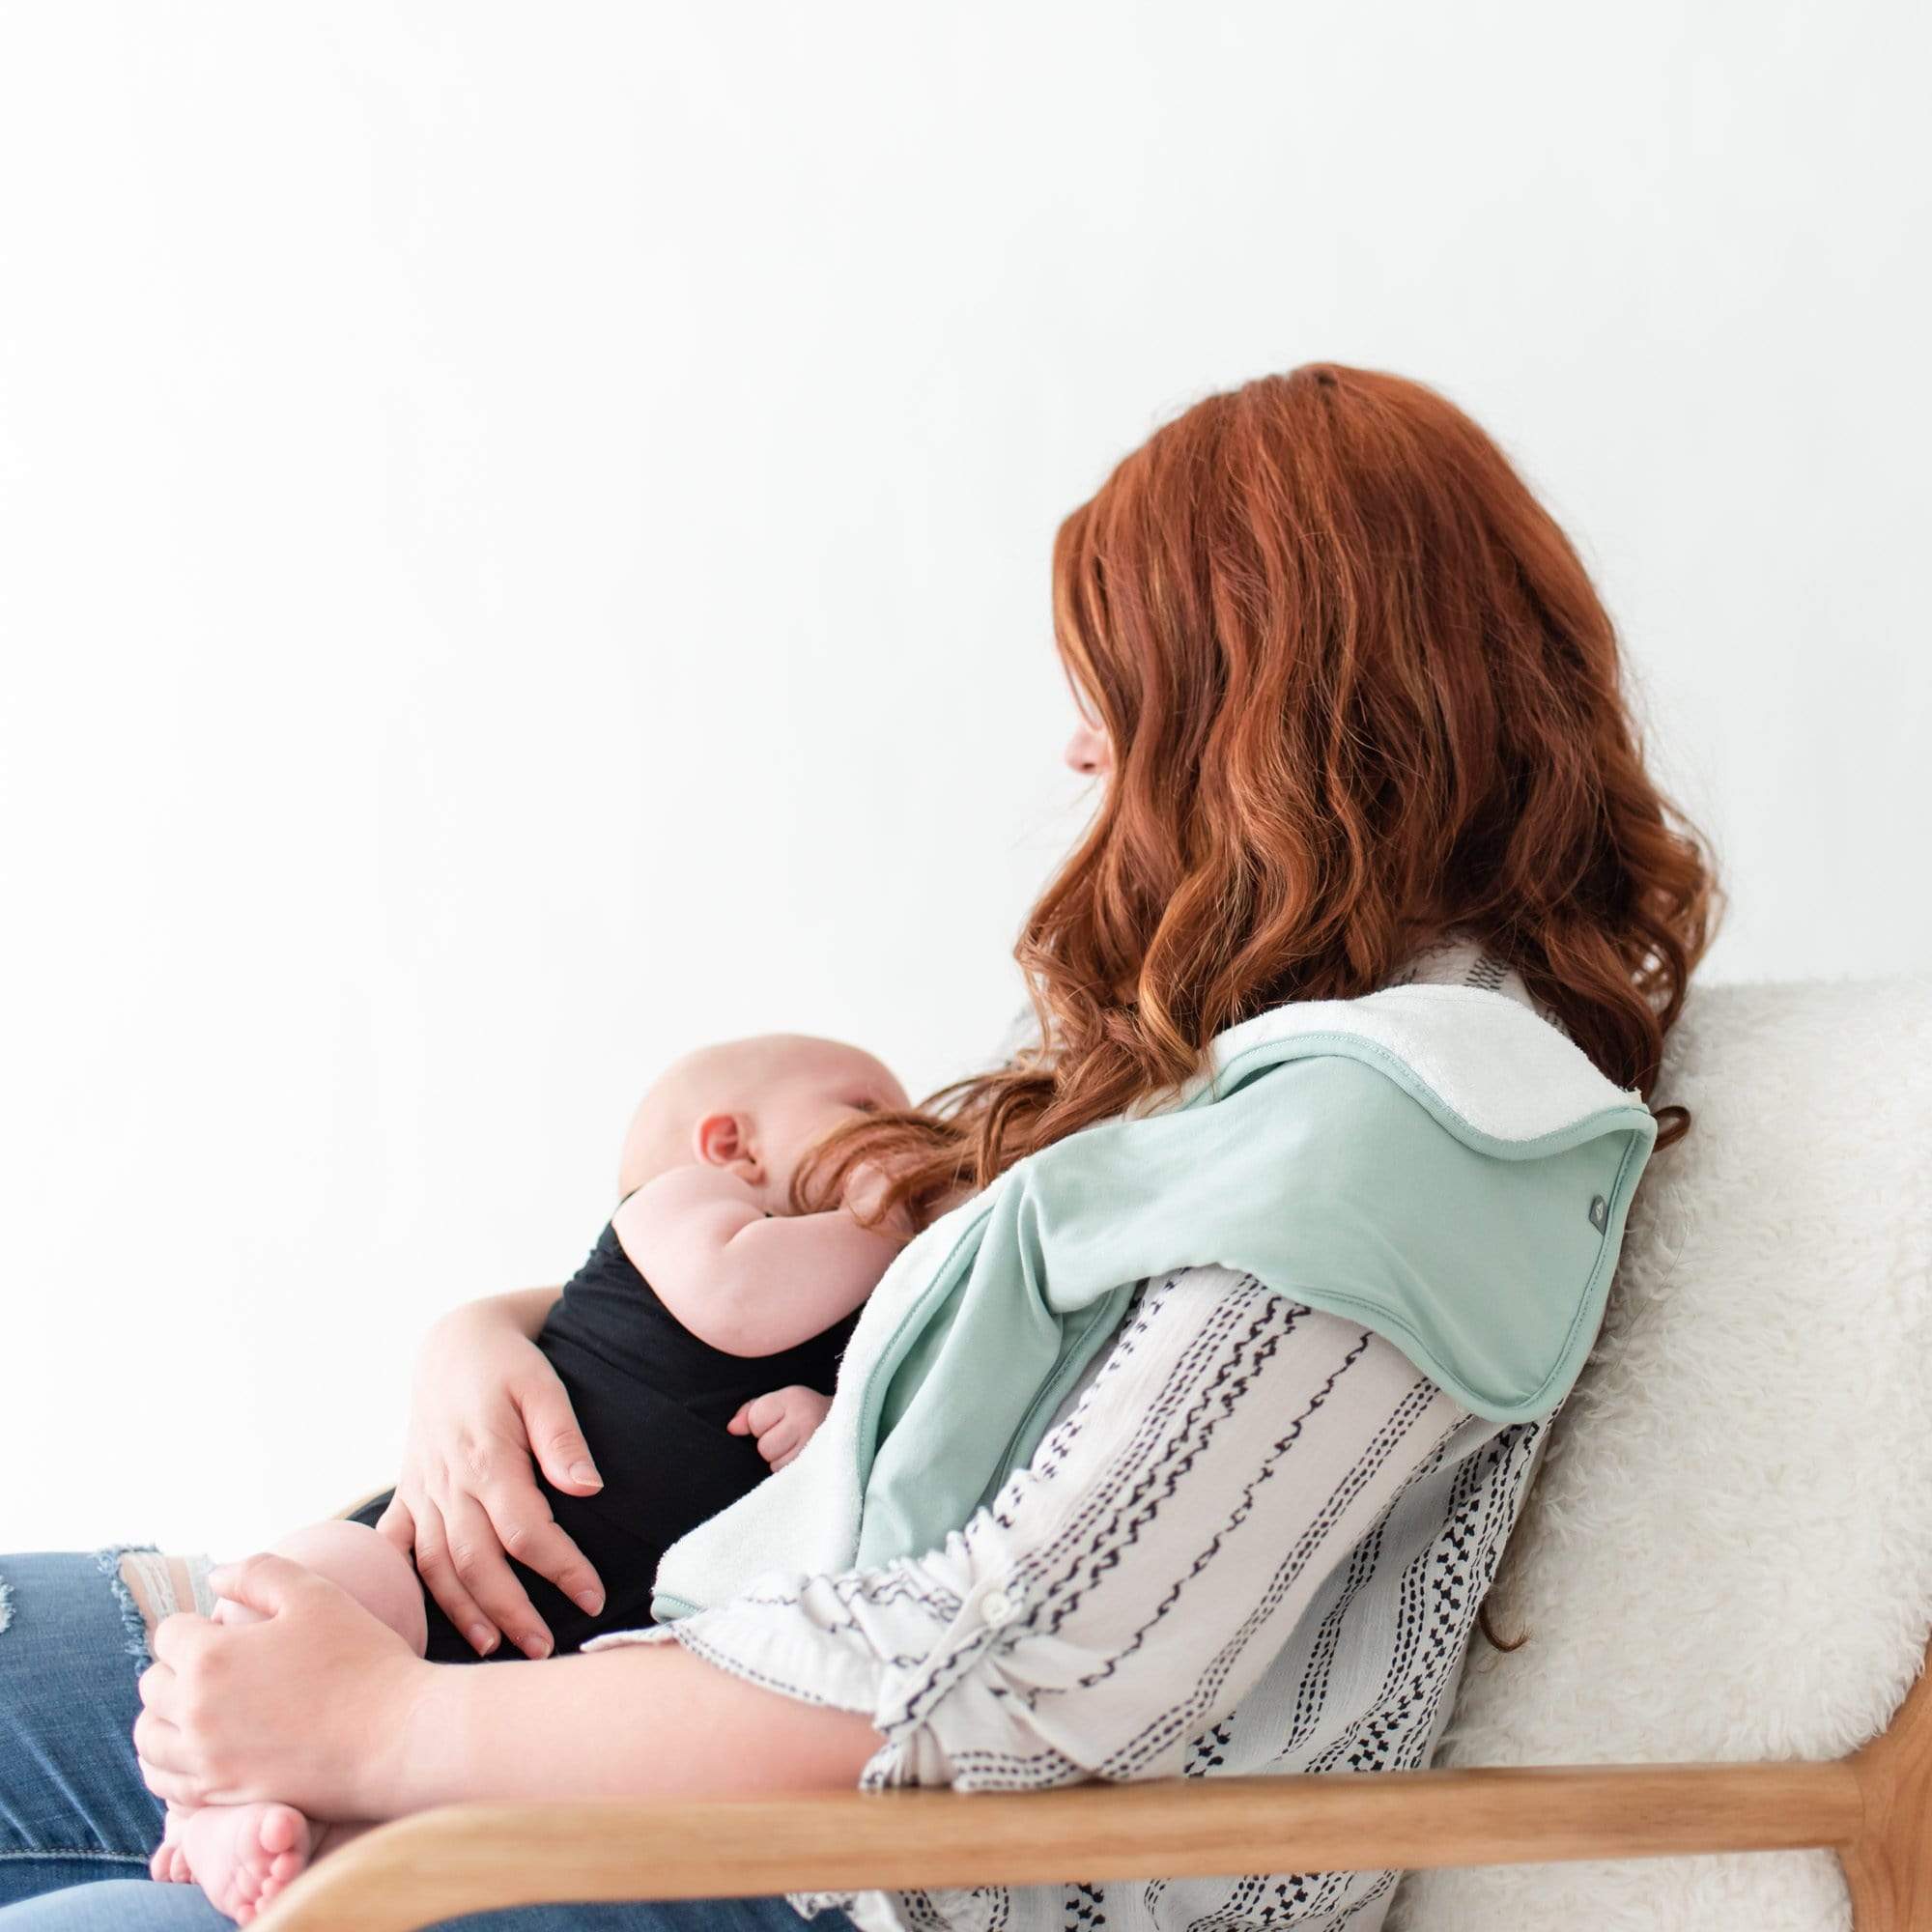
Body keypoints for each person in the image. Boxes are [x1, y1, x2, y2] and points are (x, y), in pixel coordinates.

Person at [0, 361, 1720, 1932]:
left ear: (1273, 715)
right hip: (600, 1671)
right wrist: (488, 1346)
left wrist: (394, 1726)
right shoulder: (1258, 1084)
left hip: (794, 1863)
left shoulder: (1395, 1136)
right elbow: (814, 1297)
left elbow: (1001, 1681)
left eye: (1118, 692)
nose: (1079, 748)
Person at [143, 1034, 920, 1922]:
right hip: (424, 1568)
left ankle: (308, 1829)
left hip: (566, 1664)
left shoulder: (850, 1301)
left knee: (436, 1810)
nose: (910, 1130)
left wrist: (822, 1425)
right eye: (867, 1109)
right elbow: (737, 1299)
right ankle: (202, 1801)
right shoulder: (686, 1207)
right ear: (730, 1144)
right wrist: (889, 1216)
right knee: (317, 1578)